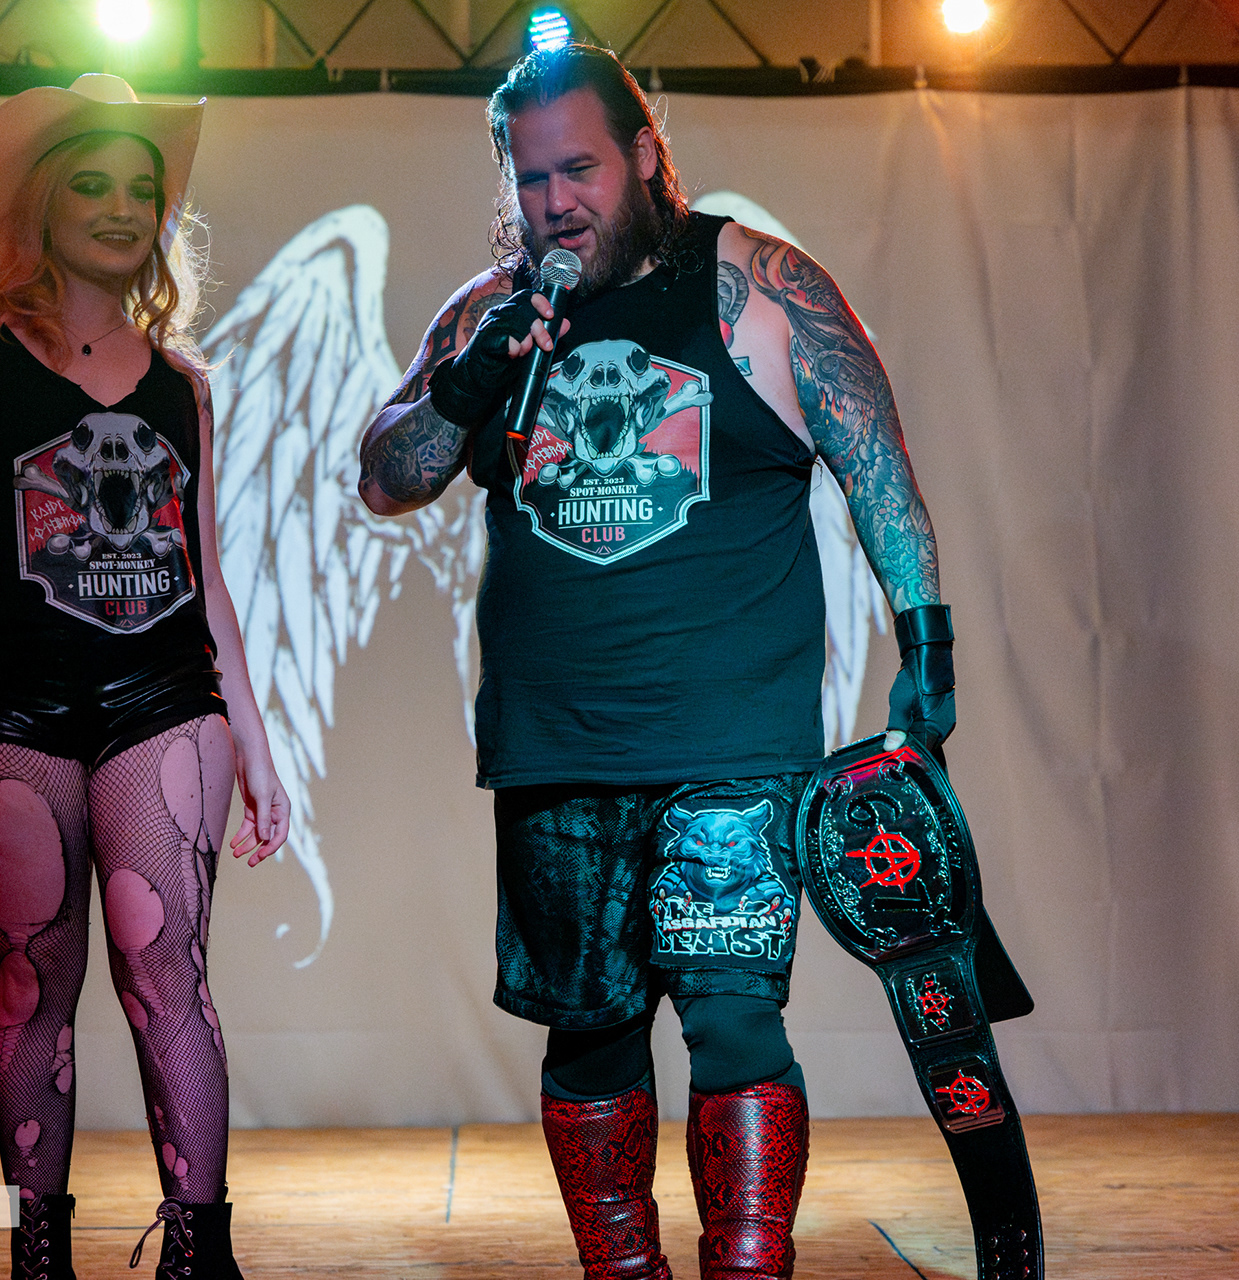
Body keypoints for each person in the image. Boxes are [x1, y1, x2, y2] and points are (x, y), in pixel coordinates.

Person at [358, 44, 955, 1280]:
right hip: (556, 743)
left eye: (579, 168)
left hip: (731, 736)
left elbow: (877, 463)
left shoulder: (758, 286)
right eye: (532, 179)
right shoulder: (489, 313)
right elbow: (387, 476)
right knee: (589, 1035)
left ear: (644, 153)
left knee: (733, 1016)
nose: (556, 202)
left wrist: (925, 641)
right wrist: (469, 381)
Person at [0, 73, 287, 1280]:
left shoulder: (184, 386)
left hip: (164, 700)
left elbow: (206, 574)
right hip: (8, 706)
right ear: (43, 203)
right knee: (33, 982)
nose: (120, 207)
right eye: (94, 183)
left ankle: (200, 1251)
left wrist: (257, 743)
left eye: (142, 190)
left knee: (169, 972)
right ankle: (38, 1251)